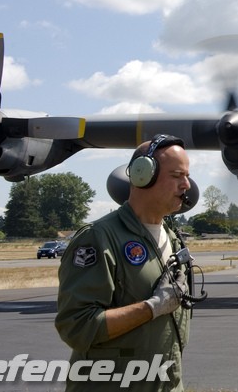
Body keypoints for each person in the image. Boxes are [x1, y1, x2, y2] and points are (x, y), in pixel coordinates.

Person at [56, 134, 194, 391]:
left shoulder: (173, 241)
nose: (187, 184)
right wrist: (152, 307)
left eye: (187, 176)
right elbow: (77, 327)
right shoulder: (98, 238)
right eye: (177, 176)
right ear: (143, 175)